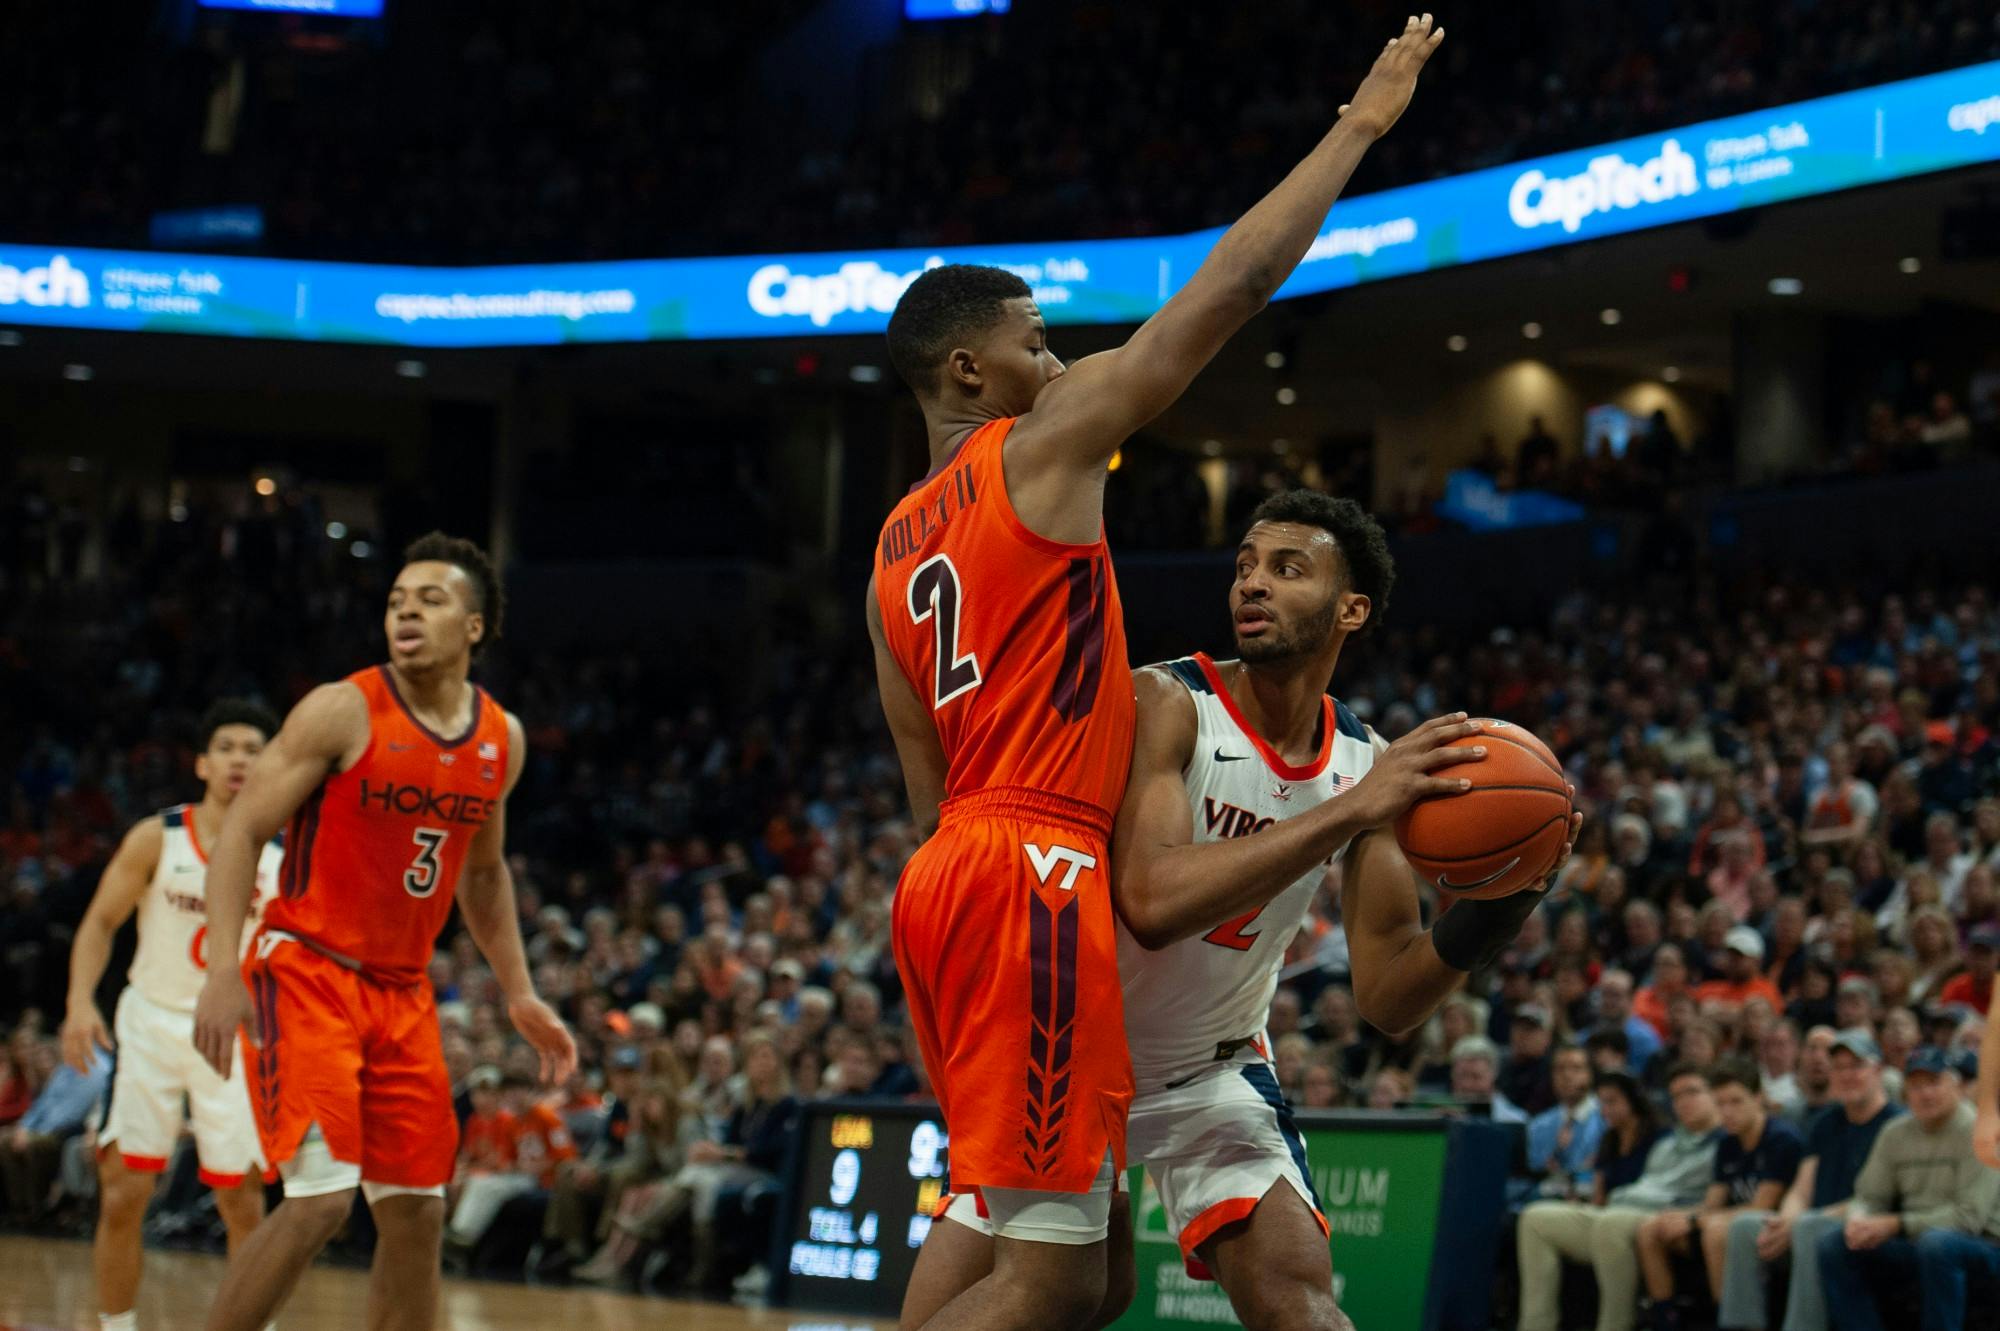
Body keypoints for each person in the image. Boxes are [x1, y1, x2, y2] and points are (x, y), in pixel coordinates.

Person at [868, 18, 1449, 1331]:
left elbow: (923, 784)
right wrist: (1358, 127)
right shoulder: (1038, 443)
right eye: (1034, 339)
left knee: (1071, 1270)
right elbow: (1228, 289)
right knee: (1060, 1280)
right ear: (968, 368)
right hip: (1033, 865)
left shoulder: (889, 553)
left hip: (948, 875)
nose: (1055, 359)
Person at [190, 533, 577, 1331]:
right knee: (321, 1200)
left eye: (430, 600)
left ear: (473, 625)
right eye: (397, 600)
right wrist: (224, 967)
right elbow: (242, 830)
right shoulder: (342, 708)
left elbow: (482, 874)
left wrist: (519, 990)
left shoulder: (500, 738)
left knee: (418, 1215)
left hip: (403, 991)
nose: (406, 612)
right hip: (308, 969)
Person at [58, 700, 286, 1331]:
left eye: (253, 749)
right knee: (123, 1193)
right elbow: (100, 922)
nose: (240, 759)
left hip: (235, 1037)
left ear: (272, 763)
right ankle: (117, 1327)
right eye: (227, 747)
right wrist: (79, 1001)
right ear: (203, 763)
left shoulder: (283, 855)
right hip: (152, 1023)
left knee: (242, 1201)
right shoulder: (157, 837)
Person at [1715, 1029, 1902, 1331]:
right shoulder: (1825, 1123)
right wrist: (1786, 1220)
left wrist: (1800, 1222)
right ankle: (1742, 1325)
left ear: (1878, 1070)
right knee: (1745, 1227)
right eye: (1838, 1067)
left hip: (1862, 1227)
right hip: (1810, 1222)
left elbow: (1876, 1199)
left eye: (1856, 1066)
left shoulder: (1896, 1124)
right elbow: (1801, 1190)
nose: (1846, 1075)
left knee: (1808, 1228)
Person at [1515, 1063, 1725, 1331]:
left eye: (1692, 1092)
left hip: (1658, 1216)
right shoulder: (1667, 1144)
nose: (1683, 1102)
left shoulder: (1724, 1144)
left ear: (1714, 1095)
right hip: (1619, 1209)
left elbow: (1712, 1202)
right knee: (1535, 1218)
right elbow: (1642, 1186)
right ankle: (1535, 1325)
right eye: (1676, 1096)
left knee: (1611, 1223)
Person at [1818, 1047, 2000, 1331]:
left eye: (1934, 1083)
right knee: (1834, 1244)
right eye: (1915, 1086)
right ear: (1905, 1093)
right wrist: (1859, 1221)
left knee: (1937, 1244)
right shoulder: (1895, 1132)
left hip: (1982, 1245)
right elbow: (1869, 1196)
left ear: (1955, 1086)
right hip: (1917, 1241)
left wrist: (1895, 1224)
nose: (1925, 1094)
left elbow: (1968, 1219)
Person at [1635, 1059, 1804, 1330]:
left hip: (1771, 1230)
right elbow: (1712, 1203)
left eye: (1736, 1102)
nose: (1727, 1112)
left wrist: (1693, 1221)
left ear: (1758, 1097)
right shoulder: (1728, 1143)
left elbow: (1761, 1206)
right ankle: (1665, 1320)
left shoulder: (1780, 1139)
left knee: (1716, 1230)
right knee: (1651, 1227)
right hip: (1727, 1220)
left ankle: (1727, 1321)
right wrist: (1681, 1216)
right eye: (1720, 1103)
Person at [0, 1036, 107, 1224]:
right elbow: (42, 1103)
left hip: (64, 1131)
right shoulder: (66, 1067)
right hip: (42, 1128)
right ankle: (19, 1206)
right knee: (5, 1141)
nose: (63, 1040)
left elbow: (74, 1113)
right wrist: (24, 1127)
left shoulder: (97, 1069)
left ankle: (38, 1207)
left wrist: (38, 1131)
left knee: (33, 1146)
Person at [1526, 1046, 1607, 1202]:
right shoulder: (1538, 1125)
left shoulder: (1607, 1119)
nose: (1567, 1075)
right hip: (1547, 1199)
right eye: (1560, 1069)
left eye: (1576, 1068)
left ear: (1591, 1074)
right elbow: (1534, 1173)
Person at [1596, 969, 1665, 1075]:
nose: (1609, 1001)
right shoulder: (1590, 1034)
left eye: (1615, 995)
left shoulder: (1645, 1039)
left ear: (1631, 998)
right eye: (1605, 994)